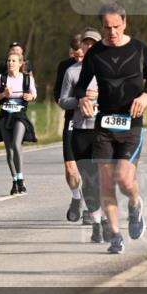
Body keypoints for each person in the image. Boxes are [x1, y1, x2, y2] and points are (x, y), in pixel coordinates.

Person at [75, 4, 147, 254]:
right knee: (106, 184)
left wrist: (145, 96)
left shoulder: (139, 48)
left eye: (116, 26)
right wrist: (83, 100)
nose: (112, 32)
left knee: (124, 178)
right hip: (104, 126)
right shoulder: (95, 53)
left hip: (131, 124)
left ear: (125, 22)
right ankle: (116, 236)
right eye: (107, 27)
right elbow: (80, 86)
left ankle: (134, 204)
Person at [59, 28, 109, 243]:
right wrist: (79, 101)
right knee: (88, 181)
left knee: (103, 178)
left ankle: (106, 219)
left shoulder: (110, 70)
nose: (89, 47)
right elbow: (62, 100)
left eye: (93, 43)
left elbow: (122, 97)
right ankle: (97, 223)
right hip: (80, 130)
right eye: (86, 43)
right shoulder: (72, 72)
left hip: (104, 130)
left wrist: (99, 98)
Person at [0, 51, 38, 195]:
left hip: (20, 115)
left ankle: (21, 180)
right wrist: (4, 94)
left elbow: (34, 94)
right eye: (9, 61)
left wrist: (30, 97)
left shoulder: (27, 79)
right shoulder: (2, 78)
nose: (10, 63)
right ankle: (15, 180)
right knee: (9, 150)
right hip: (5, 115)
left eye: (13, 61)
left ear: (20, 63)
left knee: (16, 145)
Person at [55, 36, 87, 222]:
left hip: (94, 120)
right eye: (75, 56)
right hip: (72, 118)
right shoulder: (66, 68)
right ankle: (76, 198)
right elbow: (58, 96)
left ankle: (92, 206)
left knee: (89, 166)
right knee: (70, 167)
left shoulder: (99, 66)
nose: (78, 60)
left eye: (81, 56)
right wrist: (75, 102)